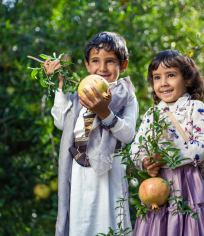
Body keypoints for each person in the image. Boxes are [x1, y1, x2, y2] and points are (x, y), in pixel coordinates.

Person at [46, 32, 138, 236]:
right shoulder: (81, 93)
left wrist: (105, 113)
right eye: (95, 61)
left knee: (110, 221)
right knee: (81, 223)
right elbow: (61, 122)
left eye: (110, 61)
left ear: (123, 66)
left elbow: (128, 135)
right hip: (79, 170)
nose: (102, 68)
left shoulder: (126, 95)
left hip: (110, 170)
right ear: (87, 65)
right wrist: (60, 85)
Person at [131, 50, 204, 236]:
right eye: (157, 77)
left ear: (187, 79)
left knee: (187, 225)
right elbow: (136, 149)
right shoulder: (151, 114)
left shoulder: (195, 108)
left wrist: (169, 158)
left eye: (171, 75)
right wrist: (146, 162)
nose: (164, 83)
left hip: (187, 183)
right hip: (157, 187)